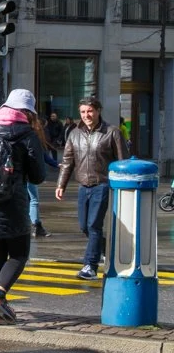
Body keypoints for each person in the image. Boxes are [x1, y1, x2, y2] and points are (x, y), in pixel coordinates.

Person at [0, 89, 47, 323]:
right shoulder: (27, 134)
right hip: (12, 203)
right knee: (18, 254)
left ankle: (0, 311)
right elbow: (38, 176)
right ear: (27, 112)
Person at [56, 96, 128, 280]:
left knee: (94, 225)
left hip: (103, 185)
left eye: (90, 111)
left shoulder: (112, 132)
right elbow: (67, 161)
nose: (86, 115)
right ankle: (107, 251)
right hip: (83, 185)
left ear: (98, 111)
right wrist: (60, 185)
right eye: (83, 111)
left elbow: (123, 162)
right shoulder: (74, 133)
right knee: (84, 226)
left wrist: (124, 188)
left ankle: (90, 265)